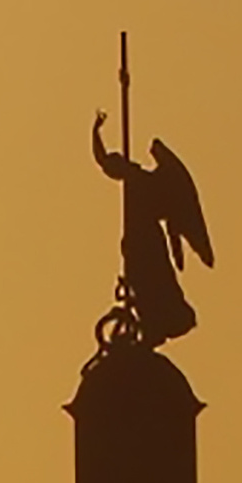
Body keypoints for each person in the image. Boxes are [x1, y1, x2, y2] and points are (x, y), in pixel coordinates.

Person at [90, 115, 213, 346]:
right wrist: (96, 132)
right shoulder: (137, 177)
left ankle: (157, 320)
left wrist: (96, 131)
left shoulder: (144, 179)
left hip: (147, 240)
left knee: (152, 280)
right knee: (141, 281)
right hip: (136, 240)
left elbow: (106, 162)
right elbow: (104, 161)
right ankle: (150, 320)